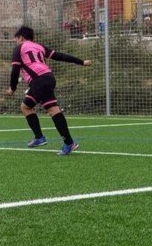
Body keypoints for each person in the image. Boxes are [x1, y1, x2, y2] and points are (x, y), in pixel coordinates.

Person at [7, 26, 92, 156]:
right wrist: (81, 62)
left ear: (21, 38)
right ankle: (39, 137)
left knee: (53, 110)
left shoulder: (19, 48)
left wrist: (12, 88)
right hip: (47, 78)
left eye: (16, 40)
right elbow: (60, 56)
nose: (16, 42)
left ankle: (69, 143)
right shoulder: (38, 47)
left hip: (39, 81)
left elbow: (15, 71)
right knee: (25, 107)